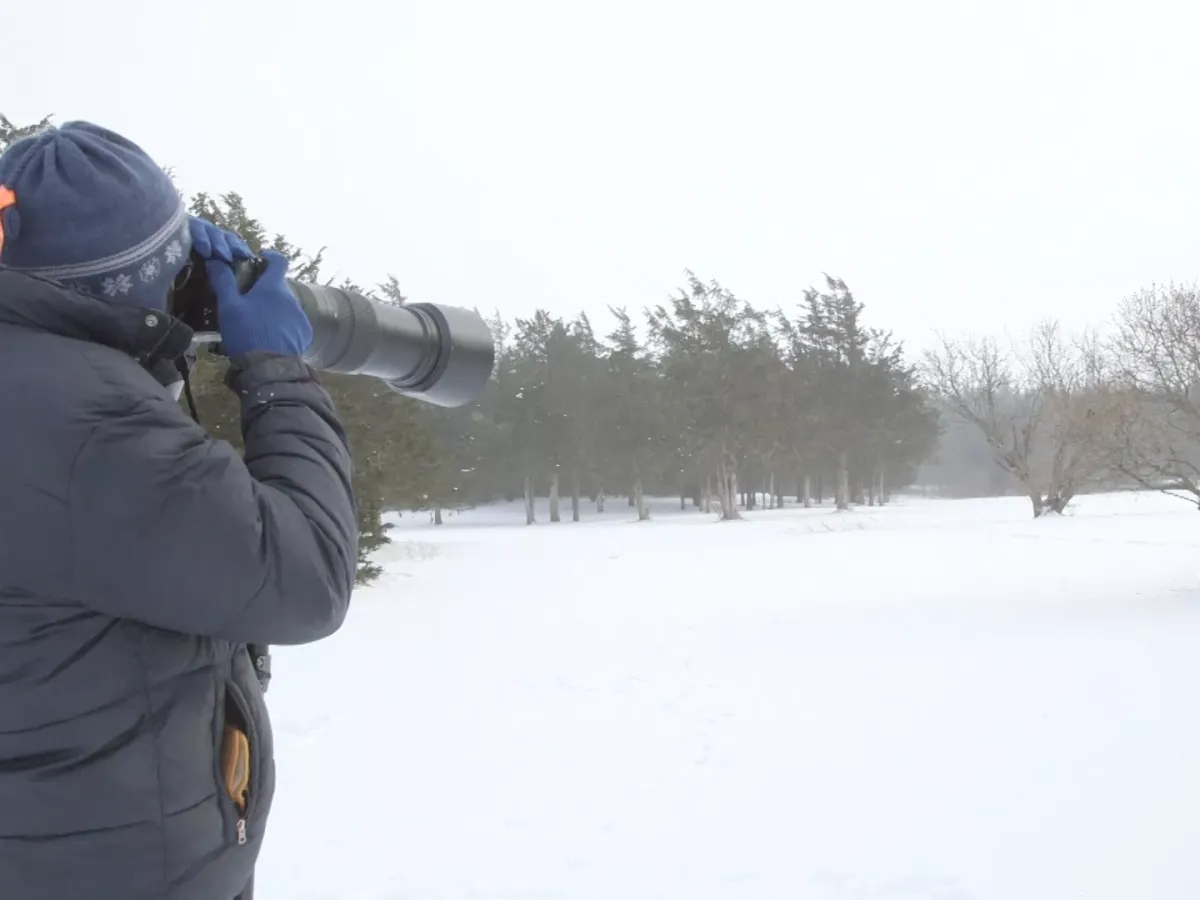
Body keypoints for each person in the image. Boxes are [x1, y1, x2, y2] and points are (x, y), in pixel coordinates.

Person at [0, 122, 359, 899]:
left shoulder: (42, 387)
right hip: (111, 867)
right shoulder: (97, 434)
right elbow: (309, 577)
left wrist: (143, 332)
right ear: (144, 278)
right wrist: (279, 371)